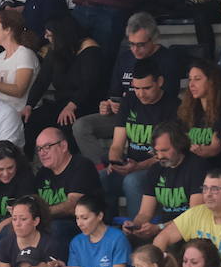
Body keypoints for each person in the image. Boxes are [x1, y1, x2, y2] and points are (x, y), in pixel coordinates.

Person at [72, 13, 182, 165]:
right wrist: (109, 104)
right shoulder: (125, 57)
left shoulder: (167, 60)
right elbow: (114, 93)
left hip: (155, 119)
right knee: (81, 126)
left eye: (141, 44)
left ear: (154, 39)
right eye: (131, 44)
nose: (135, 50)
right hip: (124, 114)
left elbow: (168, 99)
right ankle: (104, 167)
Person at [103, 58, 179, 219]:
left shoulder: (174, 106)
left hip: (161, 168)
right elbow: (117, 144)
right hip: (131, 165)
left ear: (160, 81)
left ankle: (136, 233)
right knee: (103, 177)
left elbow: (168, 154)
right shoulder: (130, 100)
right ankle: (107, 231)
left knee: (132, 181)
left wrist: (138, 166)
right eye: (136, 88)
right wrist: (115, 162)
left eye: (146, 88)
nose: (140, 93)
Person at [23, 15, 105, 140]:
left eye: (49, 35)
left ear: (61, 35)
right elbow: (42, 80)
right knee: (31, 119)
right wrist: (29, 105)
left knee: (65, 124)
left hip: (84, 103)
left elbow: (89, 86)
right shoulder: (57, 50)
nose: (46, 37)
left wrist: (72, 106)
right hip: (62, 102)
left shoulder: (90, 51)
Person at [125, 123, 208, 241]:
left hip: (192, 232)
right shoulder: (155, 170)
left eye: (164, 150)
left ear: (179, 145)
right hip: (164, 231)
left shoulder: (197, 167)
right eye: (156, 151)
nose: (160, 156)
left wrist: (160, 227)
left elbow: (194, 214)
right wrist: (136, 226)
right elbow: (145, 213)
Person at [35, 128, 103, 243]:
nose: (42, 153)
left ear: (63, 146)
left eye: (47, 147)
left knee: (54, 228)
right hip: (51, 224)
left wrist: (41, 212)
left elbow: (73, 206)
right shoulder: (42, 173)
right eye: (39, 149)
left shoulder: (82, 166)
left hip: (80, 226)